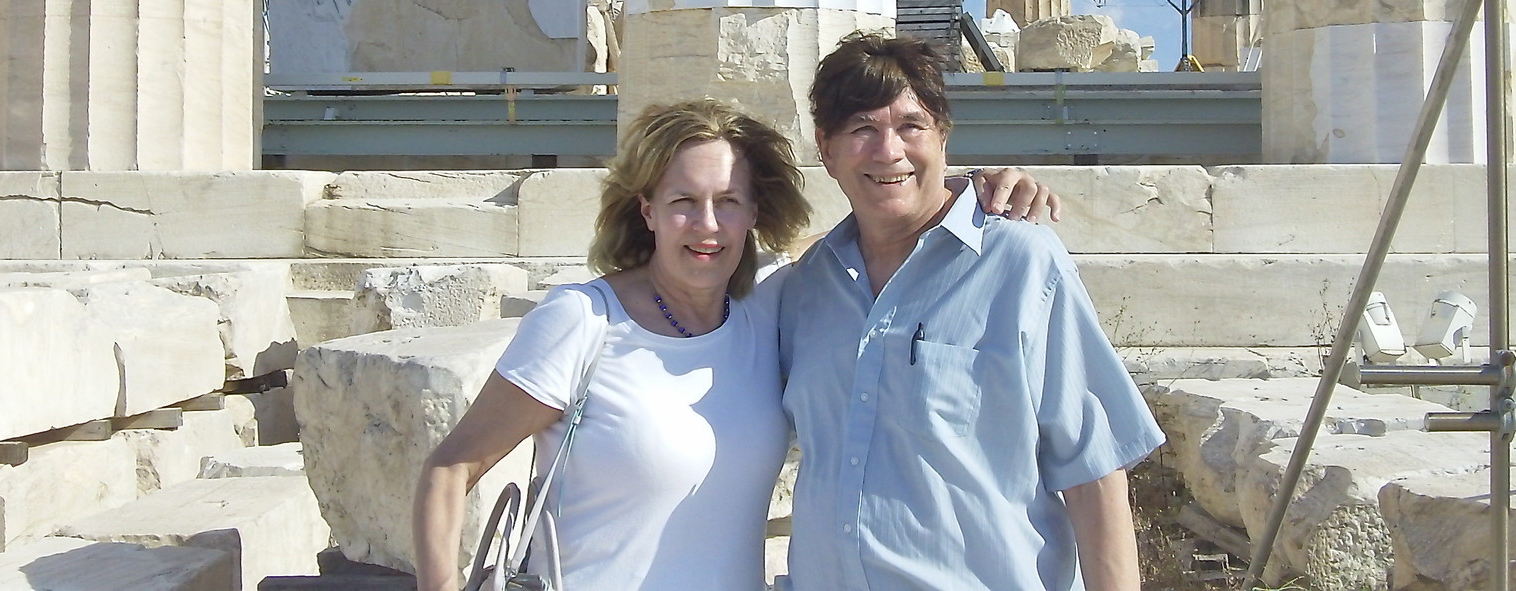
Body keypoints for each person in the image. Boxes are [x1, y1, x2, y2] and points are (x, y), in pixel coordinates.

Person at [413, 98, 1058, 591]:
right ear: (646, 210)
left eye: (729, 201)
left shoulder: (773, 307)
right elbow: (451, 469)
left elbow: (887, 229)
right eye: (682, 202)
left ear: (755, 213)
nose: (707, 225)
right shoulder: (581, 320)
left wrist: (973, 186)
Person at [779, 33, 1166, 591]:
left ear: (942, 137)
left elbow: (1095, 471)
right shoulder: (807, 286)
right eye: (863, 128)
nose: (889, 151)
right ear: (826, 148)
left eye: (911, 126)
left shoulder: (1020, 260)